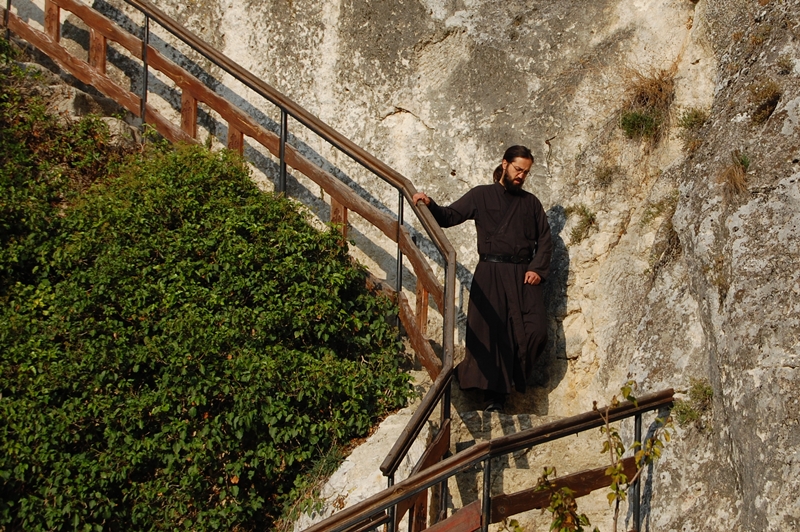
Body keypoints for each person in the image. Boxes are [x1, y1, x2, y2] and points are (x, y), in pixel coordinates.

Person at [413, 145, 552, 412]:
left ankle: (510, 378)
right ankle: (493, 398)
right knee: (492, 333)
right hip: (490, 272)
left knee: (536, 331)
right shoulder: (481, 195)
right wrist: (430, 204)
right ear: (504, 164)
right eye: (518, 169)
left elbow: (545, 240)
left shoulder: (531, 203)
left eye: (526, 172)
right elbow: (450, 216)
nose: (521, 176)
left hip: (523, 275)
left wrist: (537, 268)